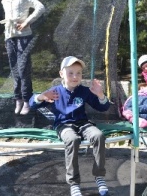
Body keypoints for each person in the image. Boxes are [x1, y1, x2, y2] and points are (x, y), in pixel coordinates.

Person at [29, 56, 110, 196]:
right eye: (70, 73)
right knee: (72, 139)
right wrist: (41, 96)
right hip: (63, 125)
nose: (75, 76)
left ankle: (99, 176)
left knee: (98, 135)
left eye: (78, 73)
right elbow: (32, 104)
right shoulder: (55, 91)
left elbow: (103, 107)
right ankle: (74, 183)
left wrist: (101, 94)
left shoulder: (84, 91)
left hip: (83, 123)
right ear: (61, 74)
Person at [1, 0, 45, 115]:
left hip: (24, 38)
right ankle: (17, 99)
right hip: (10, 38)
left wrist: (27, 22)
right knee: (14, 70)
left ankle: (27, 100)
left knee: (23, 69)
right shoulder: (5, 0)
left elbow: (40, 7)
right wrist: (7, 35)